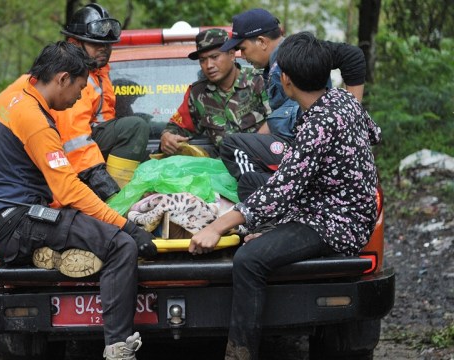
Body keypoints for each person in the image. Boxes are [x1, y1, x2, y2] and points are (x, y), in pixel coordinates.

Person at [189, 31, 382, 360]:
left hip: (335, 222)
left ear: (288, 81)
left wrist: (217, 226)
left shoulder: (317, 124)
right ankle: (268, 233)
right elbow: (374, 133)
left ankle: (240, 352)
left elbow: (281, 190)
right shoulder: (344, 101)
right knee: (253, 184)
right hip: (330, 205)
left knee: (248, 260)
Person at [0, 41, 157, 360]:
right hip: (18, 222)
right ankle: (118, 348)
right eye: (79, 88)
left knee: (89, 228)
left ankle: (51, 252)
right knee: (121, 246)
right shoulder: (35, 121)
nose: (77, 99)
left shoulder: (13, 97)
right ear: (61, 79)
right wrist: (126, 226)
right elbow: (68, 189)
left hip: (4, 217)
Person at [217, 8, 367, 202]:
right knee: (250, 177)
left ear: (262, 41)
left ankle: (277, 199)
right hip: (300, 143)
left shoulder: (298, 52)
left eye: (242, 49)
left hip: (310, 144)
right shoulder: (273, 66)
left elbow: (352, 56)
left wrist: (351, 115)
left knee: (232, 147)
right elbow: (281, 114)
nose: (242, 56)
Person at [53, 3, 150, 195]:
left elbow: (104, 122)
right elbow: (74, 140)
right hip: (77, 166)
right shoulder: (70, 78)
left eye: (107, 44)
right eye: (96, 44)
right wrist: (106, 188)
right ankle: (117, 201)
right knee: (135, 126)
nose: (104, 49)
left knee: (138, 123)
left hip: (92, 154)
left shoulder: (99, 73)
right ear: (75, 43)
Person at [159, 28, 268, 156]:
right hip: (223, 169)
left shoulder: (260, 81)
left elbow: (279, 122)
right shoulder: (198, 94)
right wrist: (166, 136)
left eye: (214, 57)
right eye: (202, 60)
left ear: (232, 55)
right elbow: (177, 127)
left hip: (263, 163)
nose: (208, 65)